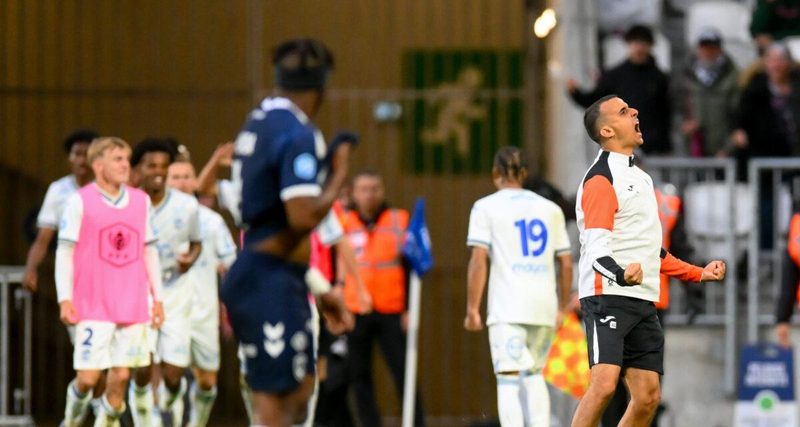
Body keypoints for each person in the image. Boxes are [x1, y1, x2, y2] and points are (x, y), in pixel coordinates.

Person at [220, 38, 354, 427]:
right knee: (277, 402)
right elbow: (301, 218)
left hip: (280, 274)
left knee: (299, 392)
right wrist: (338, 174)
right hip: (266, 278)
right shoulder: (296, 131)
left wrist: (319, 287)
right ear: (322, 86)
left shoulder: (259, 119)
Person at [572, 95, 726, 427]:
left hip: (643, 298)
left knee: (648, 397)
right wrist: (621, 275)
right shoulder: (601, 179)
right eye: (625, 112)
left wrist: (698, 274)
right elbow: (596, 249)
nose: (636, 112)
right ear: (608, 131)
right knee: (603, 386)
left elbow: (652, 251)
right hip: (607, 296)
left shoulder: (641, 179)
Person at [57, 137, 164, 426]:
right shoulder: (79, 201)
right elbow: (64, 250)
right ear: (98, 165)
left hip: (132, 303)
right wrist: (64, 297)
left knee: (121, 376)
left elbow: (149, 249)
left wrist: (158, 298)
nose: (125, 165)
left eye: (127, 159)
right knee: (88, 378)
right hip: (92, 303)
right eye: (118, 159)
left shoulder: (140, 201)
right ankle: (70, 420)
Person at [463, 146, 573, 427]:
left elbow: (479, 260)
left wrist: (472, 309)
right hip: (544, 306)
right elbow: (566, 261)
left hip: (508, 306)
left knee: (508, 378)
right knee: (535, 374)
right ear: (524, 174)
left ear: (495, 173)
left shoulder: (485, 207)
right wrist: (561, 306)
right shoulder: (550, 209)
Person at [341, 171, 426, 427]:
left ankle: (415, 422)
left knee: (403, 372)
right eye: (364, 189)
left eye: (376, 188)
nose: (370, 194)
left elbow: (412, 266)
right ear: (354, 193)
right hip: (356, 308)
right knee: (359, 375)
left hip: (392, 308)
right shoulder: (343, 222)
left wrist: (410, 308)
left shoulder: (399, 220)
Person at [128, 138, 202, 426]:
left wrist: (191, 258)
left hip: (175, 293)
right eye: (151, 166)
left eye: (163, 166)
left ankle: (169, 404)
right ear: (138, 169)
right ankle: (148, 420)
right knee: (143, 367)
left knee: (173, 373)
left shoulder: (186, 206)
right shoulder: (130, 203)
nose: (157, 172)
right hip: (139, 294)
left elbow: (197, 243)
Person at [166, 159, 237, 426]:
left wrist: (228, 310)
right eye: (175, 177)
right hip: (170, 312)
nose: (182, 182)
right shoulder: (153, 217)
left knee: (206, 381)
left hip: (204, 313)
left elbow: (231, 267)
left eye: (187, 176)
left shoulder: (212, 222)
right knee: (170, 375)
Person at [566, 25, 672, 154]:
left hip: (653, 148)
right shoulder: (615, 75)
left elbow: (666, 114)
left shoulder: (660, 78)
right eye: (635, 43)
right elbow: (595, 101)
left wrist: (663, 145)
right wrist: (576, 93)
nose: (639, 48)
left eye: (643, 43)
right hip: (621, 146)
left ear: (650, 46)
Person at [23, 128, 99, 292]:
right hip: (72, 268)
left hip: (104, 266)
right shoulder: (58, 190)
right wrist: (31, 268)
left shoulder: (108, 189)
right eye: (77, 154)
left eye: (86, 154)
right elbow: (43, 238)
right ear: (69, 158)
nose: (81, 160)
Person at [680, 28, 740, 157]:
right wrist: (684, 126)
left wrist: (728, 148)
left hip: (724, 153)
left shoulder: (734, 77)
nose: (708, 52)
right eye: (704, 47)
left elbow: (738, 116)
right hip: (694, 148)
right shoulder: (685, 76)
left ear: (720, 50)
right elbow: (676, 110)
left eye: (712, 48)